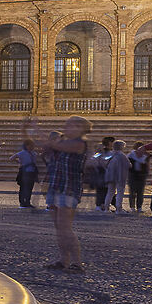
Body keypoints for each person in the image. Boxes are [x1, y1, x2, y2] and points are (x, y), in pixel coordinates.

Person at [25, 114, 92, 271]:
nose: (66, 127)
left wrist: (35, 128)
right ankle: (63, 260)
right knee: (59, 228)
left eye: (70, 125)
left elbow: (54, 146)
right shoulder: (64, 142)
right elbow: (47, 147)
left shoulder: (80, 144)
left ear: (80, 128)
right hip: (56, 187)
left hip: (68, 189)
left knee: (65, 227)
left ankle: (76, 263)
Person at [103, 141, 132, 213]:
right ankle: (119, 209)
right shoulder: (122, 155)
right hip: (120, 176)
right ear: (121, 147)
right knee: (120, 192)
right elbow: (129, 165)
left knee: (110, 192)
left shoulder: (109, 154)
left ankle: (106, 208)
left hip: (110, 176)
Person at [14, 138, 39, 209]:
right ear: (26, 145)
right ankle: (22, 203)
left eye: (32, 146)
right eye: (30, 145)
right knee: (23, 188)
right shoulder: (22, 153)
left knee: (30, 188)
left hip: (32, 173)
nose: (32, 147)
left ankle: (27, 202)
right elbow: (12, 158)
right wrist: (20, 162)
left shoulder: (34, 153)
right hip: (24, 172)